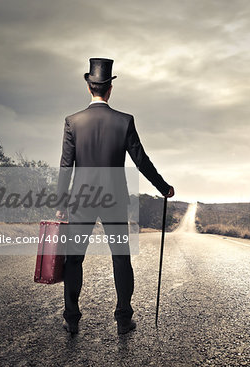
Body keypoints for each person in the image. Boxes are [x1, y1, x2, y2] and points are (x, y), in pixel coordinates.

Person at [55, 58, 174, 335]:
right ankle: (123, 320)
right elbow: (141, 160)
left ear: (89, 87)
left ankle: (71, 319)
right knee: (121, 258)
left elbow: (65, 166)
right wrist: (162, 187)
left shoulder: (72, 121)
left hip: (82, 200)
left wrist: (61, 205)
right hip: (115, 200)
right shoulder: (124, 121)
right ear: (109, 89)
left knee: (74, 259)